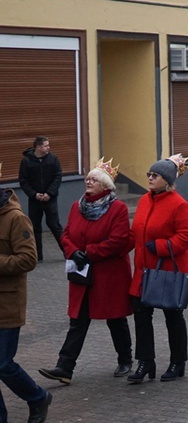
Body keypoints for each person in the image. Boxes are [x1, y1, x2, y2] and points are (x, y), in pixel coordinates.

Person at [38, 158, 133, 385]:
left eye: (94, 179)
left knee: (115, 318)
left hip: (109, 274)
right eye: (88, 178)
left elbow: (118, 241)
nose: (88, 182)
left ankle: (125, 358)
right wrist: (72, 252)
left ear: (106, 185)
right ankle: (65, 367)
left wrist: (89, 252)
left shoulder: (117, 208)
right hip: (83, 273)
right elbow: (66, 234)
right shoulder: (77, 206)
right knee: (78, 321)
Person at [128, 154, 188, 383]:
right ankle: (145, 361)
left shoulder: (179, 204)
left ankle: (178, 362)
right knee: (141, 315)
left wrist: (160, 246)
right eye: (149, 174)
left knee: (172, 316)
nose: (150, 178)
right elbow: (136, 231)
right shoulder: (144, 200)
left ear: (167, 180)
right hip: (143, 269)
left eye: (155, 175)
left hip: (169, 270)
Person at [0, 163, 53, 423]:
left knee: (3, 365)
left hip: (7, 304)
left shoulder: (16, 218)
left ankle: (37, 398)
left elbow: (29, 259)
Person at [18, 136, 64, 262]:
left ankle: (68, 252)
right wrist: (33, 194)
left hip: (50, 199)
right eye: (45, 145)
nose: (48, 147)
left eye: (48, 145)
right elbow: (23, 181)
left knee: (55, 225)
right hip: (35, 200)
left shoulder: (53, 159)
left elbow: (58, 176)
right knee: (34, 227)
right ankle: (37, 256)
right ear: (38, 147)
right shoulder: (26, 162)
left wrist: (50, 193)